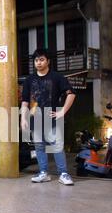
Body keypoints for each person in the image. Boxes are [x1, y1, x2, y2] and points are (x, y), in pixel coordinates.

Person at [20, 48, 76, 185]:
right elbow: (25, 101)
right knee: (39, 147)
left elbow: (71, 94)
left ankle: (63, 174)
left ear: (48, 61)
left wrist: (62, 111)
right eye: (36, 60)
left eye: (41, 59)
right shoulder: (29, 80)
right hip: (35, 119)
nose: (38, 62)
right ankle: (43, 173)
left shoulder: (57, 77)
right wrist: (23, 118)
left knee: (57, 146)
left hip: (52, 119)